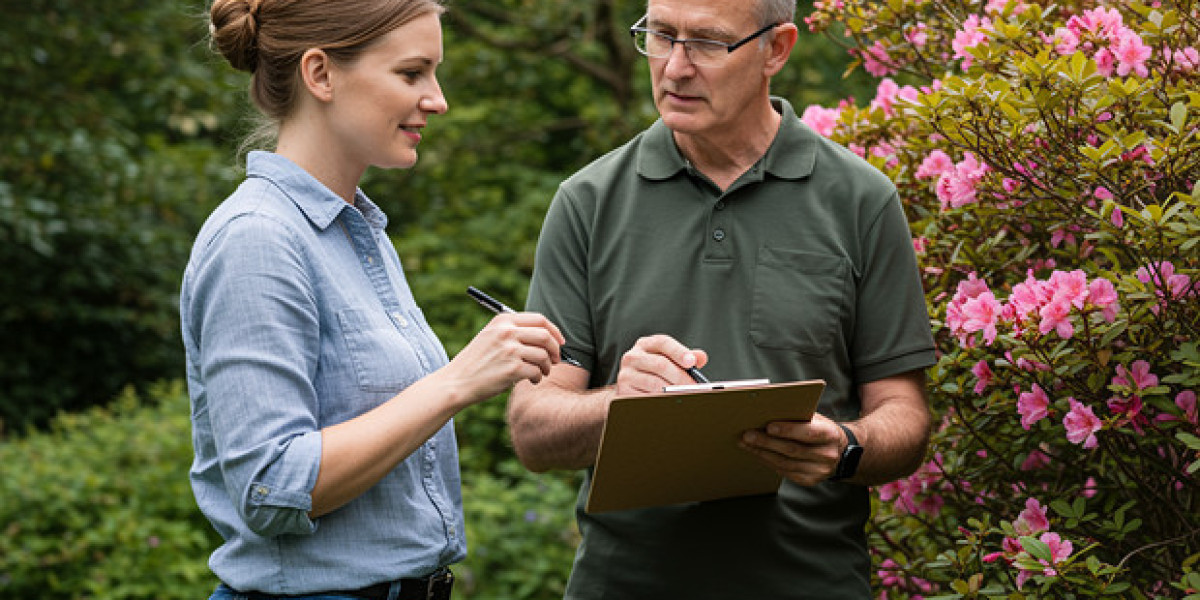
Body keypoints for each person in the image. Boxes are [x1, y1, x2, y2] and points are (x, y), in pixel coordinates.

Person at [506, 0, 938, 597]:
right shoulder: (588, 201)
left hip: (810, 583)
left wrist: (844, 447)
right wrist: (621, 402)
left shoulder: (861, 200)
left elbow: (906, 415)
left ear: (776, 49)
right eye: (660, 36)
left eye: (708, 43)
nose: (675, 68)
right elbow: (533, 427)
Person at [181, 1, 571, 598]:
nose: (437, 99)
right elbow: (271, 484)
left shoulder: (356, 234)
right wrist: (457, 382)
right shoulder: (258, 239)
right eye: (412, 73)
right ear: (320, 74)